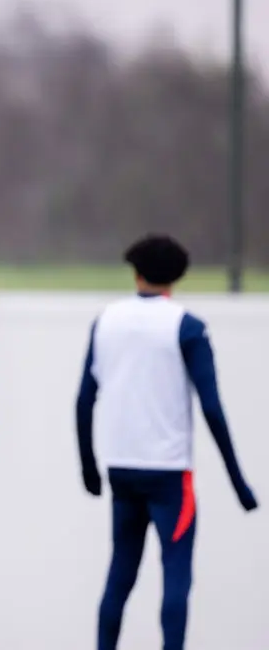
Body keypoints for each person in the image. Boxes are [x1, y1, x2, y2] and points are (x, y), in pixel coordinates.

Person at [75, 234, 258, 650]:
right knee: (175, 578)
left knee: (120, 574)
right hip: (170, 474)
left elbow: (85, 400)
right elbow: (212, 408)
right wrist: (238, 483)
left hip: (121, 467)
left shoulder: (106, 321)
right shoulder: (186, 327)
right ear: (176, 277)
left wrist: (89, 466)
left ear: (136, 273)